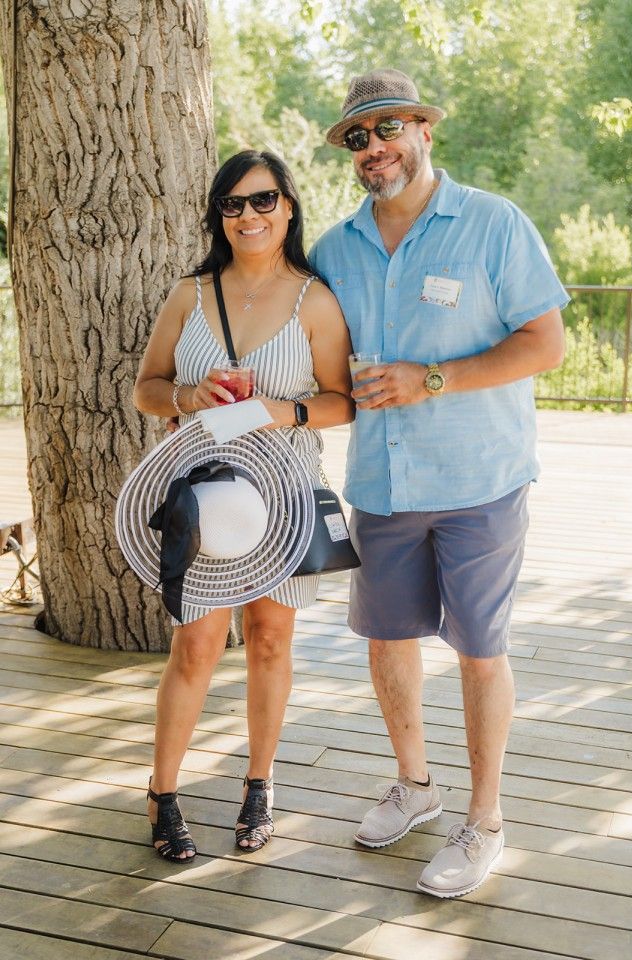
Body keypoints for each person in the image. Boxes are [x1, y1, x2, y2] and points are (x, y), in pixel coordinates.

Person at [310, 68, 568, 898]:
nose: (374, 147)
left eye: (387, 128)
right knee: (388, 643)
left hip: (480, 480)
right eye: (358, 137)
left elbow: (546, 344)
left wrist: (433, 378)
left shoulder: (495, 223)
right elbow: (315, 369)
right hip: (381, 484)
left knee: (479, 652)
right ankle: (415, 787)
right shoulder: (332, 250)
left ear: (424, 129)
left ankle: (485, 821)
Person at [133, 149, 354, 861]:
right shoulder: (189, 296)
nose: (249, 215)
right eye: (233, 204)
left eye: (262, 200)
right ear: (218, 216)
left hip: (284, 499)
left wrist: (274, 410)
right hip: (203, 498)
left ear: (288, 207)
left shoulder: (315, 299)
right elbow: (147, 388)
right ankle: (162, 793)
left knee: (269, 639)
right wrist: (187, 396)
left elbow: (340, 401)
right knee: (196, 644)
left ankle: (258, 784)